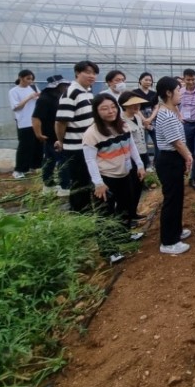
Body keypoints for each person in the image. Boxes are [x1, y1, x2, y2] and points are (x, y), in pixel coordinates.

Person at [83, 94, 146, 263]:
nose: (110, 111)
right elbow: (90, 159)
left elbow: (131, 145)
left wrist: (139, 165)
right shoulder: (92, 133)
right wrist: (98, 183)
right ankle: (108, 250)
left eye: (112, 107)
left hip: (125, 174)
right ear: (96, 111)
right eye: (104, 108)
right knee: (106, 215)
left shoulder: (122, 125)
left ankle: (124, 236)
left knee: (126, 206)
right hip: (106, 178)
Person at [154, 76, 193, 254]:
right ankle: (168, 242)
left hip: (172, 159)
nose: (181, 94)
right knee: (171, 199)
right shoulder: (167, 115)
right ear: (168, 93)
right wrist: (189, 157)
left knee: (177, 198)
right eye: (178, 91)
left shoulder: (170, 112)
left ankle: (175, 231)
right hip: (170, 159)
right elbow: (176, 142)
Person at [56, 60, 99, 212]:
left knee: (87, 181)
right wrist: (61, 141)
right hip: (76, 147)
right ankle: (80, 214)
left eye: (94, 73)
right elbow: (61, 122)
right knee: (79, 183)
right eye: (87, 72)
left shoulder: (87, 92)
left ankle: (86, 211)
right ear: (77, 73)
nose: (91, 76)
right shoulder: (71, 93)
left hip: (88, 145)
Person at [32, 75, 71, 196]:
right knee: (61, 160)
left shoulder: (59, 97)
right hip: (51, 135)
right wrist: (38, 134)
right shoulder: (45, 99)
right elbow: (36, 117)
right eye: (63, 85)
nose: (65, 87)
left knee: (50, 160)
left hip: (57, 134)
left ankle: (49, 185)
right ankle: (64, 186)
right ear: (56, 86)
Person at [118, 91, 149, 212]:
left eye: (138, 104)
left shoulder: (137, 117)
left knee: (139, 184)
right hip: (130, 157)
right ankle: (127, 214)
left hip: (142, 153)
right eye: (132, 104)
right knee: (129, 186)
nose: (136, 106)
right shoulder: (120, 119)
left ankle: (133, 211)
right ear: (124, 105)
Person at [8, 69, 42, 179]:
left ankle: (35, 166)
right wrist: (28, 97)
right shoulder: (14, 91)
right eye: (28, 79)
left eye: (31, 79)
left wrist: (39, 96)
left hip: (36, 121)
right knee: (25, 146)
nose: (30, 81)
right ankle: (19, 170)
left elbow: (39, 100)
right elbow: (16, 107)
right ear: (20, 78)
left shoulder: (33, 88)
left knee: (38, 145)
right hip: (24, 122)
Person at [132, 72, 160, 169]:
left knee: (158, 142)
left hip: (152, 118)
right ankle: (146, 164)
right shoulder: (135, 93)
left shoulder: (154, 93)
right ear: (140, 80)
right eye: (146, 80)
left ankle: (156, 163)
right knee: (143, 143)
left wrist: (150, 119)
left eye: (150, 80)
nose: (148, 82)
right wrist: (144, 120)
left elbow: (156, 107)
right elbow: (136, 108)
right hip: (140, 119)